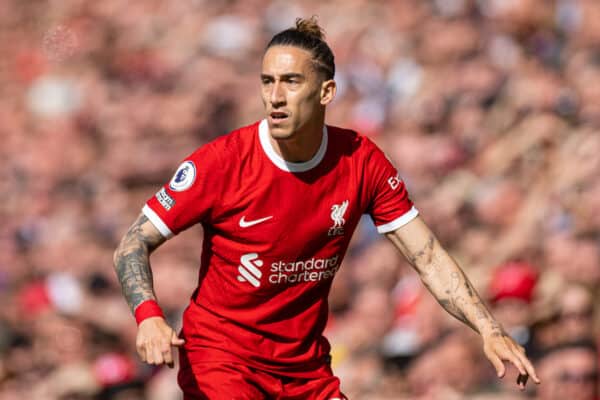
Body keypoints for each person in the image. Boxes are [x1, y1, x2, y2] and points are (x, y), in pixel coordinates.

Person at [113, 17, 540, 399]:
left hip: (305, 369)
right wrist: (149, 316)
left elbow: (426, 255)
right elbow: (132, 244)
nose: (275, 96)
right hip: (223, 361)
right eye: (267, 81)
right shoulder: (222, 162)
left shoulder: (360, 160)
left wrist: (489, 328)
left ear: (326, 91)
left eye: (291, 82)